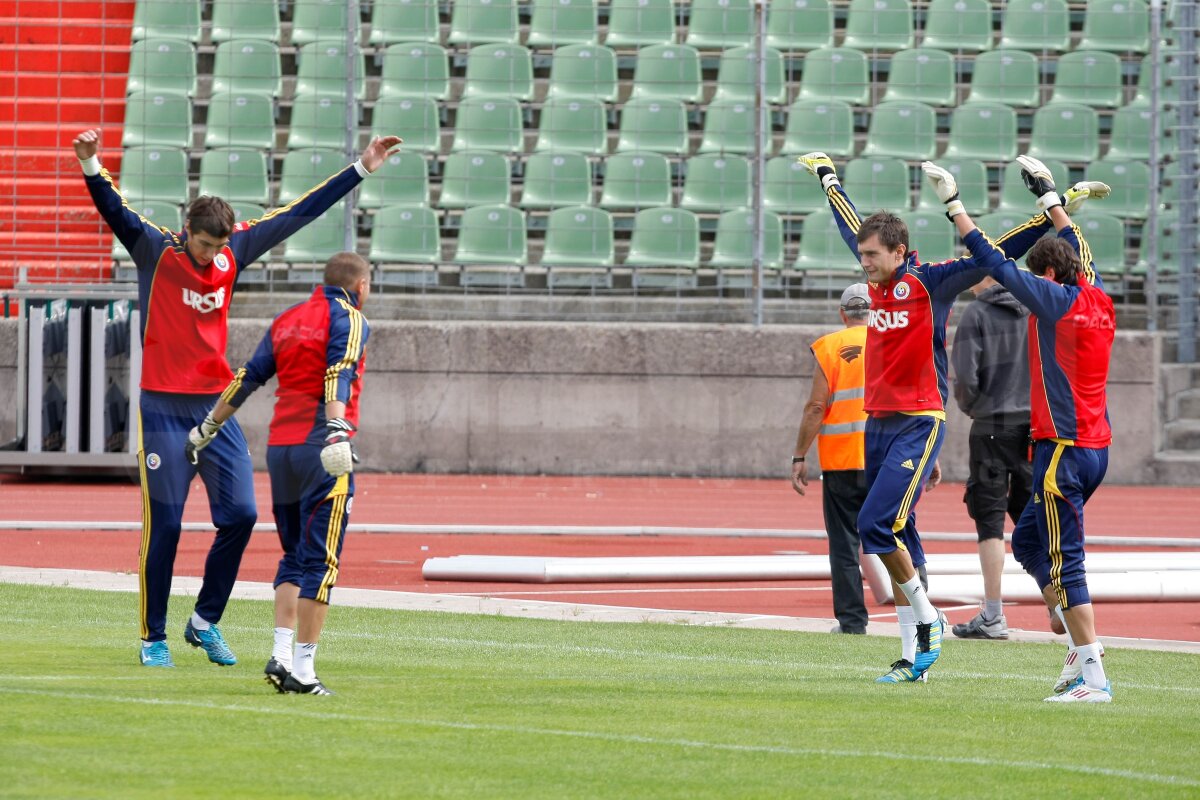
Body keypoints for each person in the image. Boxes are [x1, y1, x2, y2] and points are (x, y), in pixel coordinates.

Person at [73, 128, 402, 668]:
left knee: (243, 516)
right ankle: (152, 637)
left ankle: (204, 622)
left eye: (221, 247)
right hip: (161, 407)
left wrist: (361, 168)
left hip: (213, 408)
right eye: (206, 246)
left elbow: (298, 213)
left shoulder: (232, 254)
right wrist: (90, 164)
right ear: (187, 233)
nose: (213, 257)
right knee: (168, 523)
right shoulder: (153, 249)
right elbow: (115, 207)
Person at [795, 152, 1106, 684]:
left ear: (898, 251)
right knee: (901, 532)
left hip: (920, 418)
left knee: (875, 525)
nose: (863, 262)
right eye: (863, 255)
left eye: (872, 255)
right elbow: (849, 223)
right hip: (879, 421)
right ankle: (913, 648)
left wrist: (1051, 210)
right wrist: (827, 177)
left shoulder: (930, 283)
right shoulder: (874, 276)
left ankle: (929, 618)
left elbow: (997, 254)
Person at [932, 154, 1116, 703]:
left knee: (1066, 561)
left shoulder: (1057, 301)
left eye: (1040, 274)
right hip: (1093, 444)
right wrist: (1051, 200)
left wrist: (954, 206)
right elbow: (1078, 245)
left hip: (1064, 448)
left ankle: (1093, 675)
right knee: (1030, 541)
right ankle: (1074, 634)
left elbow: (993, 258)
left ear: (1051, 275)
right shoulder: (1097, 294)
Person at [186, 251, 370, 695]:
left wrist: (208, 426)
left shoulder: (287, 318)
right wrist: (335, 428)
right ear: (361, 287)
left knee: (293, 555)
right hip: (319, 447)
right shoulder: (350, 316)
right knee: (321, 562)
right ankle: (305, 671)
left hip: (280, 450)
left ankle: (282, 654)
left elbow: (248, 377)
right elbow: (338, 372)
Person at [950, 275, 1033, 640]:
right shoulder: (1035, 307)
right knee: (1032, 513)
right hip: (1033, 425)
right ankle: (1061, 602)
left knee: (989, 518)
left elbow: (965, 377)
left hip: (991, 423)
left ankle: (994, 614)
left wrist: (974, 408)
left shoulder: (978, 312)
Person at [791, 284, 872, 636]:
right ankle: (918, 612)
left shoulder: (828, 347)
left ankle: (852, 621)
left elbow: (816, 407)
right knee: (897, 537)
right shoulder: (894, 342)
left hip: (841, 461)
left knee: (844, 544)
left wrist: (799, 455)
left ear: (843, 314)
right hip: (886, 458)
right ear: (875, 310)